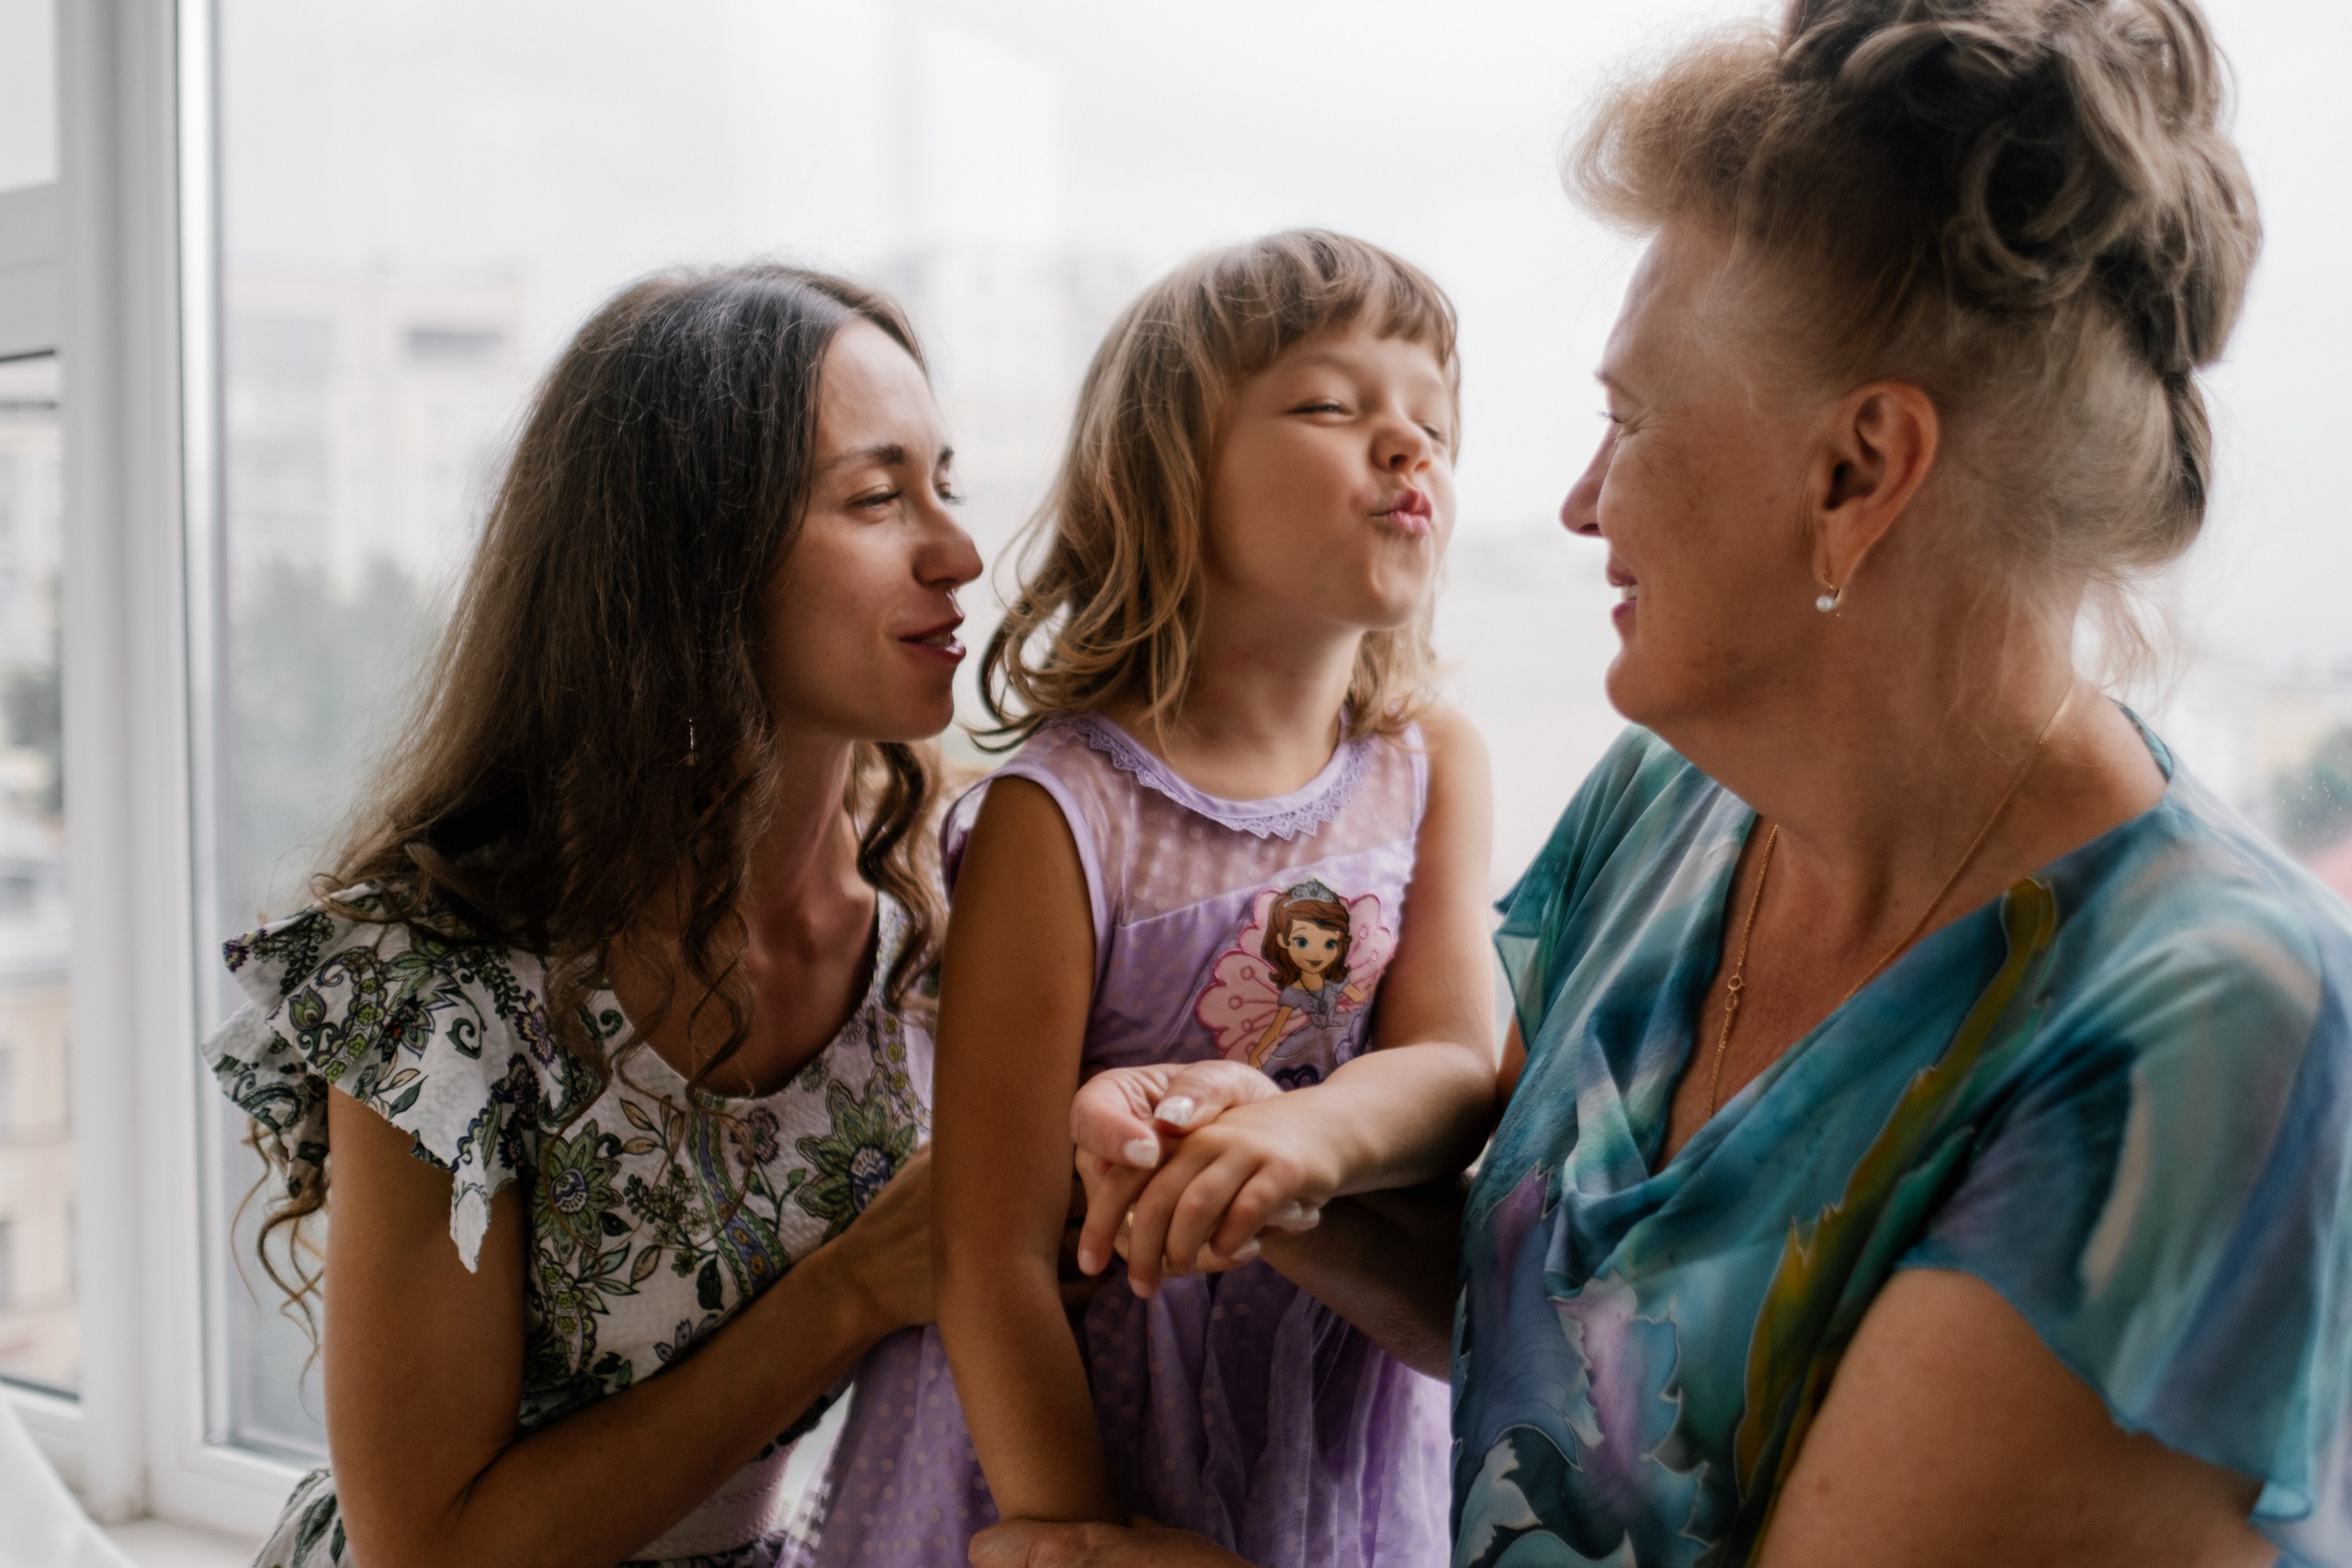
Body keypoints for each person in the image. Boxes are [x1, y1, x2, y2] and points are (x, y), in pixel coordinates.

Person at [1012, 1, 2352, 1565]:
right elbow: (1556, 1312)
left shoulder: (2206, 1034)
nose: (1579, 503)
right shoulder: (1667, 805)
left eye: (1628, 421)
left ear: (1859, 473)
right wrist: (1276, 1174)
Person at [207, 265, 1002, 1568]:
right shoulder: (436, 984)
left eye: (944, 485)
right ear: (690, 568)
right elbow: (434, 1549)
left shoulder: (949, 902)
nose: (959, 551)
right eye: (875, 497)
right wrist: (851, 1290)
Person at [807, 231, 1499, 1568]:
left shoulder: (1428, 766)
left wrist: (1305, 1142)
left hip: (1331, 1434)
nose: (1408, 446)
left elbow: (1456, 1063)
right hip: (1078, 1445)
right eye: (1334, 406)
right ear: (1172, 476)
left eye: (1435, 422)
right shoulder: (1064, 813)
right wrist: (1070, 1532)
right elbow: (989, 1251)